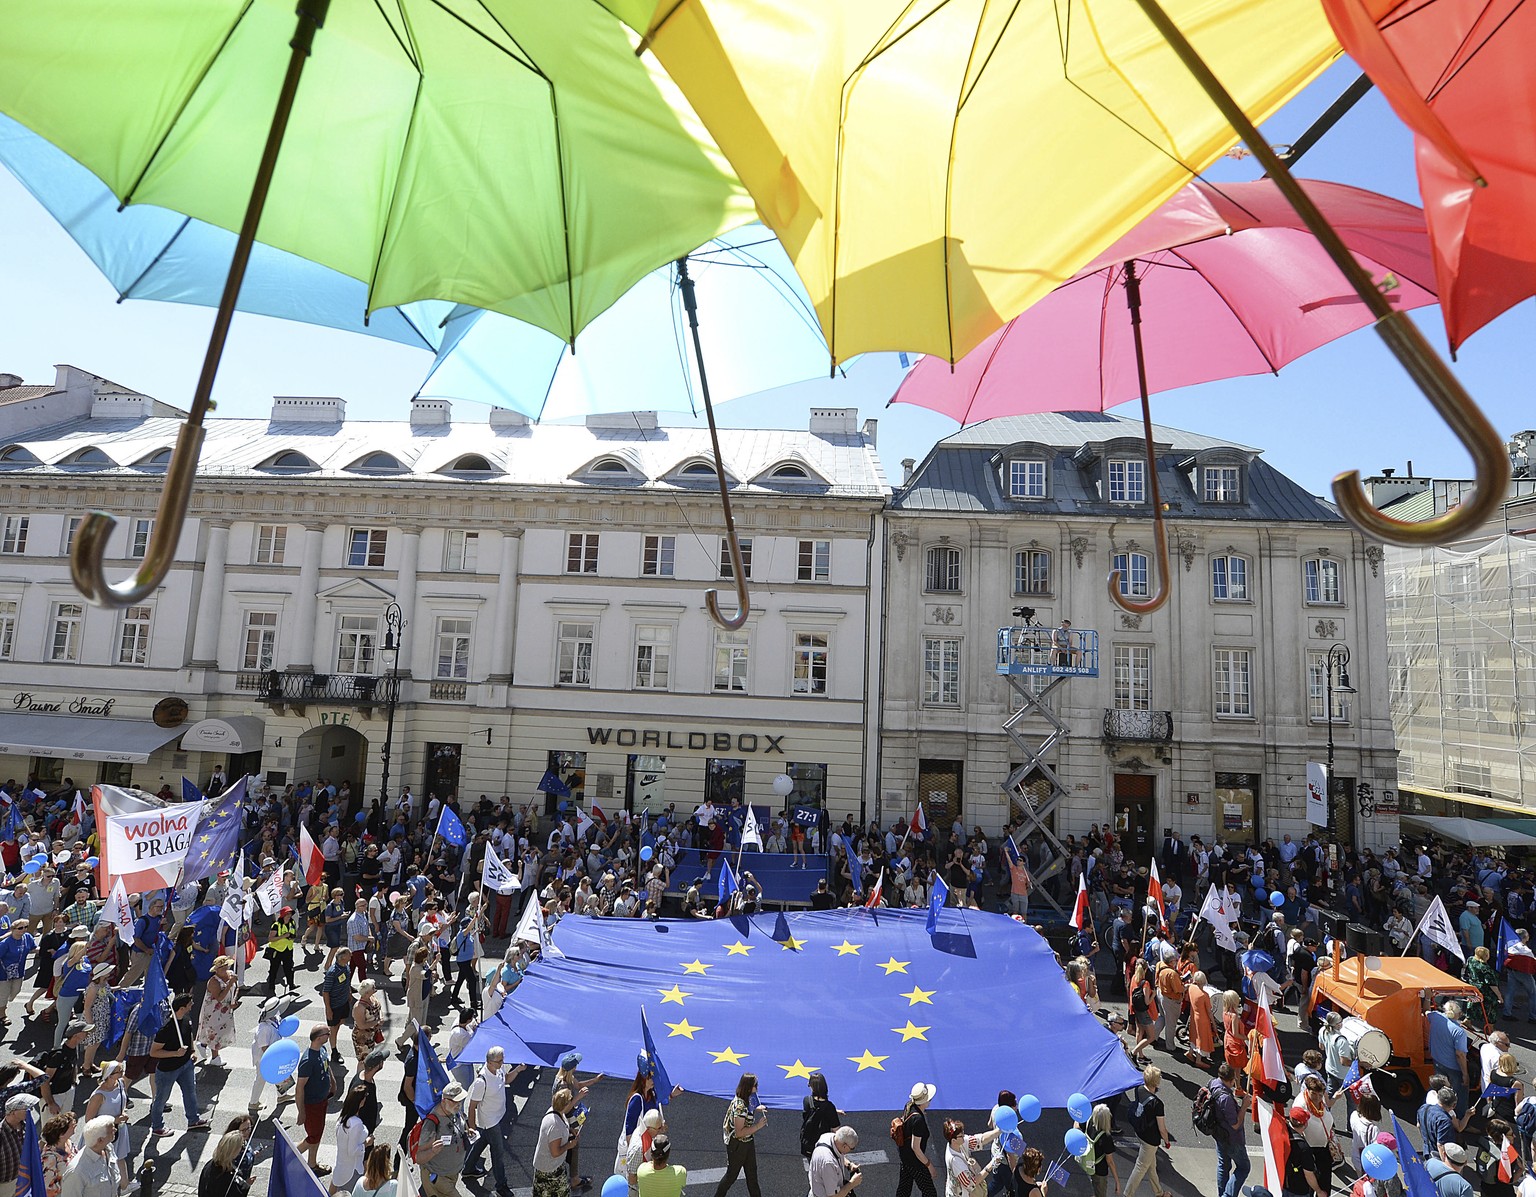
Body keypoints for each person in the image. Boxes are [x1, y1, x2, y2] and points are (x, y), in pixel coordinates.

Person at [463, 1046, 525, 1191]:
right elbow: (472, 1106)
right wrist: (472, 1127)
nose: (502, 1063)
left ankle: (468, 1169)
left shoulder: (498, 1070)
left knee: (482, 1142)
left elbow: (506, 1080)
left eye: (503, 1060)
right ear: (489, 1062)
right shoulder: (481, 1081)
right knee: (498, 1154)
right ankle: (501, 1185)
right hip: (490, 1122)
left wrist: (517, 1070)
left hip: (497, 1117)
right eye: (499, 1061)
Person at [149, 992, 210, 1138]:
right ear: (182, 1008)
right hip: (167, 1070)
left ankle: (193, 1120)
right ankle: (157, 1127)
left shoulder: (186, 1020)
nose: (192, 1006)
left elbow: (189, 1036)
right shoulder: (166, 1029)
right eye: (190, 1004)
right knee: (161, 1099)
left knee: (190, 1092)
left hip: (186, 1065)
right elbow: (154, 1052)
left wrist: (192, 1051)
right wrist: (175, 1054)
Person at [79, 1062, 130, 1196]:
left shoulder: (121, 1083)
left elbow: (121, 1102)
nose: (122, 1073)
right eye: (119, 1071)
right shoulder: (98, 1096)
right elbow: (89, 1121)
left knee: (120, 1157)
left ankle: (124, 1186)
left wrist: (122, 1114)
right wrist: (115, 1119)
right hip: (103, 1134)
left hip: (119, 1129)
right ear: (109, 1075)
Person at [712, 1073, 767, 1197]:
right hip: (738, 1145)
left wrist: (757, 1108)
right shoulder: (740, 1107)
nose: (757, 1088)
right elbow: (739, 1132)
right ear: (748, 1088)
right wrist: (758, 1126)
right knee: (731, 1176)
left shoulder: (745, 1098)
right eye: (755, 1085)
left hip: (747, 1142)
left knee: (752, 1175)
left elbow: (750, 1106)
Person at [1123, 1066, 1173, 1197]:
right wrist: (1167, 1141)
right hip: (1150, 1140)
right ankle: (1127, 1194)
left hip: (1140, 1132)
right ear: (1156, 1082)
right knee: (1141, 1167)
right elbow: (1162, 1129)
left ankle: (1159, 1192)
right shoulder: (1157, 1104)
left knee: (1151, 1165)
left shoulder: (1139, 1089)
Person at [296, 1026, 336, 1173]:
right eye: (328, 1034)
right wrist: (301, 1112)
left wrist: (332, 1082)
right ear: (319, 1037)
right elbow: (299, 1088)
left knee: (317, 1134)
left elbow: (327, 1066)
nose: (329, 1035)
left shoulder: (322, 1050)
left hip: (322, 1100)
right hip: (312, 1105)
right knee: (313, 1136)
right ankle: (289, 1157)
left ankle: (312, 1164)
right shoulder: (308, 1061)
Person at [1289, 1074, 1336, 1194]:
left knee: (1325, 1181)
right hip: (1310, 1148)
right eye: (1314, 1094)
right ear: (1307, 1090)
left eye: (1320, 1095)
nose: (1317, 1098)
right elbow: (1297, 1126)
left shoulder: (1321, 1101)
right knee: (1311, 1181)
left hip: (1324, 1145)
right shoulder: (1300, 1105)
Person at [532, 1087, 581, 1197]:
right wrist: (569, 1145)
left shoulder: (556, 1112)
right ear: (565, 1105)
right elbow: (555, 1152)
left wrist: (570, 1129)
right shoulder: (555, 1126)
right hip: (549, 1170)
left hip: (551, 1166)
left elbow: (563, 1123)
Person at [1210, 1063, 1248, 1197]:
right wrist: (1244, 1107)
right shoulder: (1226, 1099)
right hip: (1232, 1138)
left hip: (1219, 1134)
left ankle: (1222, 1194)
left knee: (1223, 1165)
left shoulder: (1214, 1083)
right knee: (1244, 1167)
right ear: (1231, 1080)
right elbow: (1235, 1125)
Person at [1427, 1000, 1471, 1114]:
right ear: (1459, 1014)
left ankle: (1440, 1110)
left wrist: (1427, 997)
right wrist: (1465, 1074)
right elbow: (1460, 1055)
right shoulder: (1459, 1032)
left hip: (1437, 1061)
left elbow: (1426, 1011)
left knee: (1440, 1089)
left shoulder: (1436, 1017)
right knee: (1459, 1093)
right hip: (1453, 1068)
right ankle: (1460, 1119)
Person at [894, 1082, 938, 1197]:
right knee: (930, 1193)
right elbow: (916, 1148)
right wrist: (929, 1165)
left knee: (904, 1190)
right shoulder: (918, 1120)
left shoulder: (909, 1106)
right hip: (915, 1162)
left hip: (905, 1157)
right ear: (924, 1101)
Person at [194, 956, 239, 1068]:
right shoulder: (213, 982)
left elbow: (236, 988)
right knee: (215, 1033)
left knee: (220, 1031)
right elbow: (219, 997)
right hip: (214, 1010)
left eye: (226, 966)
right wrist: (229, 984)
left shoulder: (231, 974)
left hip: (226, 1009)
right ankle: (215, 1057)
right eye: (221, 967)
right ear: (216, 969)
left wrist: (234, 999)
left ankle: (203, 1044)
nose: (225, 969)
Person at [59, 1115, 120, 1197]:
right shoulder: (77, 1172)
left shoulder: (108, 1148)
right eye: (111, 1131)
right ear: (100, 1140)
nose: (115, 1130)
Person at [941, 1118, 1000, 1197]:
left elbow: (980, 1139)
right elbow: (970, 1184)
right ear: (954, 1140)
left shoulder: (957, 1144)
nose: (964, 1136)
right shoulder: (955, 1161)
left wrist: (999, 1131)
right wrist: (991, 1165)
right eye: (961, 1136)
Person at [330, 1085, 371, 1197]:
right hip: (352, 1171)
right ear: (361, 1102)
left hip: (341, 1168)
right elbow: (352, 1151)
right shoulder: (356, 1123)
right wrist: (367, 1143)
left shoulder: (341, 1120)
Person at [800, 1072, 840, 1176]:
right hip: (824, 1145)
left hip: (809, 1143)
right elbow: (836, 1129)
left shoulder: (807, 1100)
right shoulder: (830, 1107)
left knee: (813, 1171)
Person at [808, 1126, 863, 1197]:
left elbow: (837, 1154)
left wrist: (849, 1165)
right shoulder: (828, 1164)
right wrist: (852, 1183)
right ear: (844, 1146)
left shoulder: (829, 1137)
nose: (850, 1150)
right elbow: (833, 1196)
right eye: (852, 1148)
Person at [196, 1131, 250, 1197]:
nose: (243, 1149)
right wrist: (246, 1185)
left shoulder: (210, 1164)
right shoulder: (226, 1177)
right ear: (233, 1151)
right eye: (242, 1146)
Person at [41, 1111, 77, 1197]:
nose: (75, 1126)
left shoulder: (69, 1143)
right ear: (61, 1134)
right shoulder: (49, 1157)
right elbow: (48, 1187)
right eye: (71, 1126)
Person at [352, 980, 384, 1067]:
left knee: (369, 1058)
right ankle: (360, 1078)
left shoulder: (372, 997)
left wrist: (380, 1017)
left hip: (371, 1034)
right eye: (373, 987)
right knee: (363, 1061)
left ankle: (367, 1077)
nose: (375, 988)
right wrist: (376, 1022)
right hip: (362, 1038)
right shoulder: (359, 1007)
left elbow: (379, 1008)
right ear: (366, 993)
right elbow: (361, 1025)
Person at [266, 906, 297, 993]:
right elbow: (270, 939)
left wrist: (291, 937)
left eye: (290, 914)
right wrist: (283, 936)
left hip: (288, 949)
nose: (289, 916)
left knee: (289, 968)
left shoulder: (292, 923)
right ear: (283, 915)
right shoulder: (276, 925)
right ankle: (271, 986)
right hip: (277, 950)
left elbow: (294, 934)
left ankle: (291, 985)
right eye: (287, 914)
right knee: (274, 969)